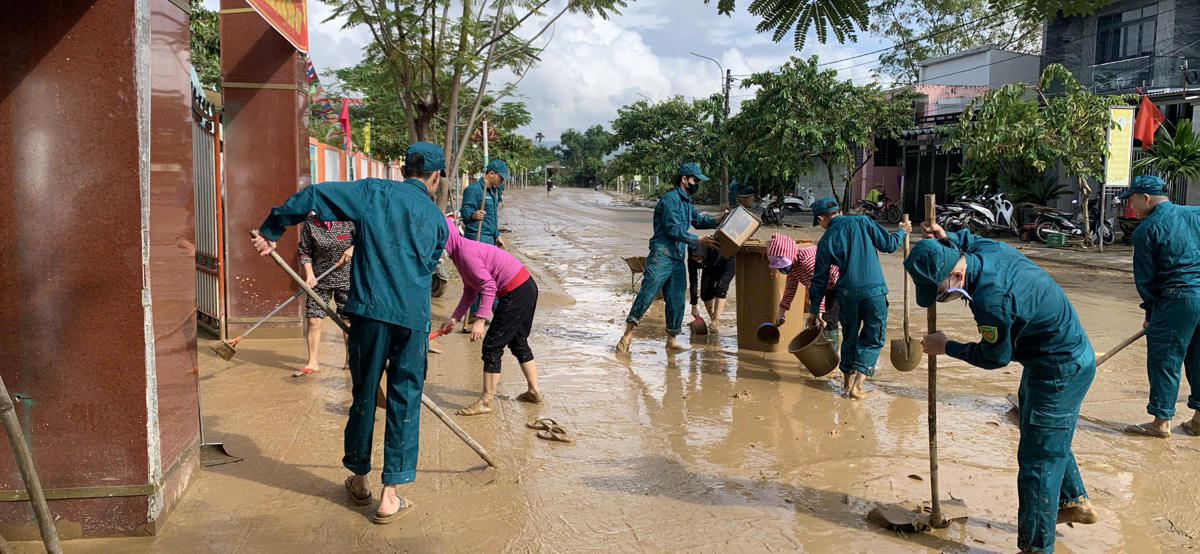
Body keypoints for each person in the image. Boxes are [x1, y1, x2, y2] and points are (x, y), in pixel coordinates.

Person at [251, 142, 448, 524]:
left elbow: (313, 196)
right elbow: (429, 265)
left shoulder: (374, 191)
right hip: (412, 321)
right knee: (405, 401)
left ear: (403, 170)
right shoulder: (437, 220)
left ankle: (359, 482)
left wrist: (272, 228)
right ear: (436, 177)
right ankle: (390, 497)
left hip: (370, 315)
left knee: (364, 396)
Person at [905, 221, 1098, 554]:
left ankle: (1036, 548)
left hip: (1060, 368)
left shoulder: (992, 302)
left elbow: (995, 357)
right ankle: (1073, 502)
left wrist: (947, 346)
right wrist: (945, 237)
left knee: (1038, 461)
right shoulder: (983, 250)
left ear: (957, 276)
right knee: (1043, 436)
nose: (941, 298)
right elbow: (969, 238)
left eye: (940, 292)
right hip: (1050, 358)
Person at [1120, 175, 1200, 438]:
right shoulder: (1195, 214)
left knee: (1165, 358)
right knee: (1198, 357)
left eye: (1131, 199)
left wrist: (1151, 313)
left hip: (1177, 298)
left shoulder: (1146, 230)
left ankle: (1160, 422)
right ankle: (1199, 420)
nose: (1130, 206)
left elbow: (1147, 281)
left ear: (1145, 198)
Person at [438, 216, 542, 416]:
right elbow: (470, 290)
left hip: (516, 291)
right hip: (526, 287)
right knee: (518, 341)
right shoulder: (460, 254)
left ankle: (486, 401)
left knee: (492, 345)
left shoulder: (465, 254)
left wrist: (480, 320)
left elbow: (488, 287)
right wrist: (454, 318)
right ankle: (534, 391)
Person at [807, 198, 909, 398]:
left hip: (847, 295)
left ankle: (846, 383)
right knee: (872, 338)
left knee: (850, 337)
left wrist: (815, 310)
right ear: (839, 212)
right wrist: (902, 231)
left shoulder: (826, 240)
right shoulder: (862, 221)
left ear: (821, 219)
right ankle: (858, 386)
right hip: (874, 292)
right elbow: (889, 245)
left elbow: (819, 280)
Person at [617, 163, 721, 353]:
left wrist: (718, 219)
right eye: (695, 180)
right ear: (684, 179)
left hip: (677, 258)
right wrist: (698, 240)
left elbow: (698, 221)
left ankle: (671, 340)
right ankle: (627, 335)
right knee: (647, 294)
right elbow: (673, 230)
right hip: (661, 255)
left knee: (677, 299)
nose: (697, 184)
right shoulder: (670, 200)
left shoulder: (687, 202)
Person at [297, 213, 355, 376]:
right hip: (319, 278)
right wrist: (309, 274)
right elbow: (304, 251)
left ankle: (350, 360)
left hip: (347, 276)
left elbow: (365, 238)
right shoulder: (311, 223)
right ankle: (313, 362)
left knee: (348, 320)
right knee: (313, 319)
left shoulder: (348, 218)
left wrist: (353, 248)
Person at [766, 233, 840, 350]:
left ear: (790, 254)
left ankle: (832, 357)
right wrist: (781, 311)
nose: (782, 269)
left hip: (838, 284)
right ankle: (817, 355)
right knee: (815, 323)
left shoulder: (807, 261)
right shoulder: (793, 267)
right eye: (779, 267)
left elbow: (819, 286)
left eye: (783, 265)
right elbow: (790, 289)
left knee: (828, 320)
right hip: (823, 288)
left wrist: (818, 312)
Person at [687, 242, 735, 334]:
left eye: (699, 258)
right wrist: (694, 306)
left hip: (728, 259)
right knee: (705, 294)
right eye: (694, 258)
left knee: (721, 288)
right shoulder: (692, 258)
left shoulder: (713, 250)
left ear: (703, 254)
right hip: (709, 264)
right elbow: (693, 281)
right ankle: (713, 320)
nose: (697, 260)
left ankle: (716, 321)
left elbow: (720, 284)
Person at [460, 160, 508, 248]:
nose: (502, 180)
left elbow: (491, 217)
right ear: (491, 173)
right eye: (501, 177)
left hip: (490, 238)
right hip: (477, 237)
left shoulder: (493, 191)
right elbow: (465, 211)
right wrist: (473, 215)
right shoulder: (474, 189)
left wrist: (497, 235)